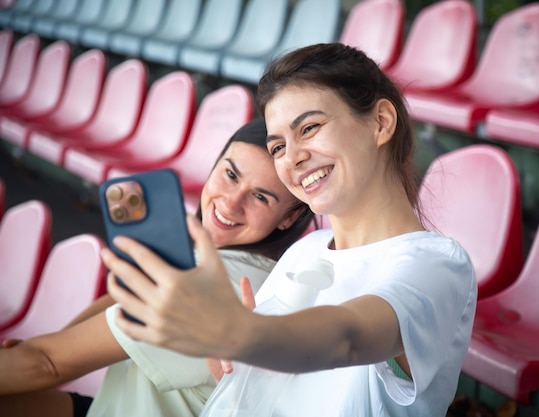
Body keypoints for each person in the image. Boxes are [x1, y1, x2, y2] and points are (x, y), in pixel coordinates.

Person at [102, 43, 478, 417]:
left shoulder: (438, 265)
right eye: (278, 145)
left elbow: (348, 336)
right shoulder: (305, 251)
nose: (293, 157)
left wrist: (240, 333)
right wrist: (227, 362)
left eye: (310, 127)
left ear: (381, 122)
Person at [0, 118, 315, 417]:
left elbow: (47, 364)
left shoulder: (220, 284)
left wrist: (38, 352)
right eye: (230, 174)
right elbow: (115, 306)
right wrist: (45, 346)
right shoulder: (226, 258)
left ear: (289, 217)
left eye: (260, 197)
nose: (230, 203)